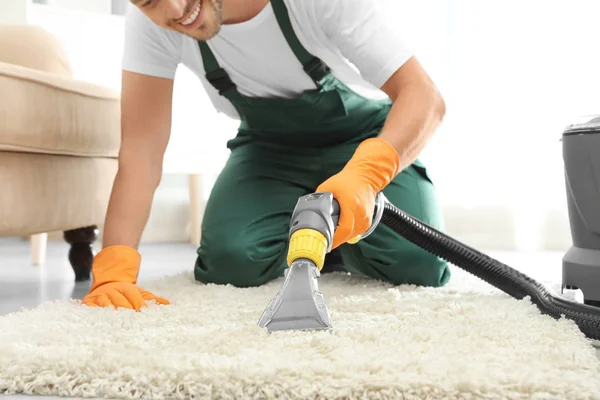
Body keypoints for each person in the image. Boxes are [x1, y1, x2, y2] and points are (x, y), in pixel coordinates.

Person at [81, 0, 450, 311]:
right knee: (230, 261)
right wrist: (115, 264)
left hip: (362, 142)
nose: (177, 9)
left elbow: (423, 96)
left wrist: (367, 177)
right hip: (268, 151)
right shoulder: (151, 27)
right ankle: (313, 236)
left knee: (418, 264)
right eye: (149, 1)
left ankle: (331, 245)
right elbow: (141, 149)